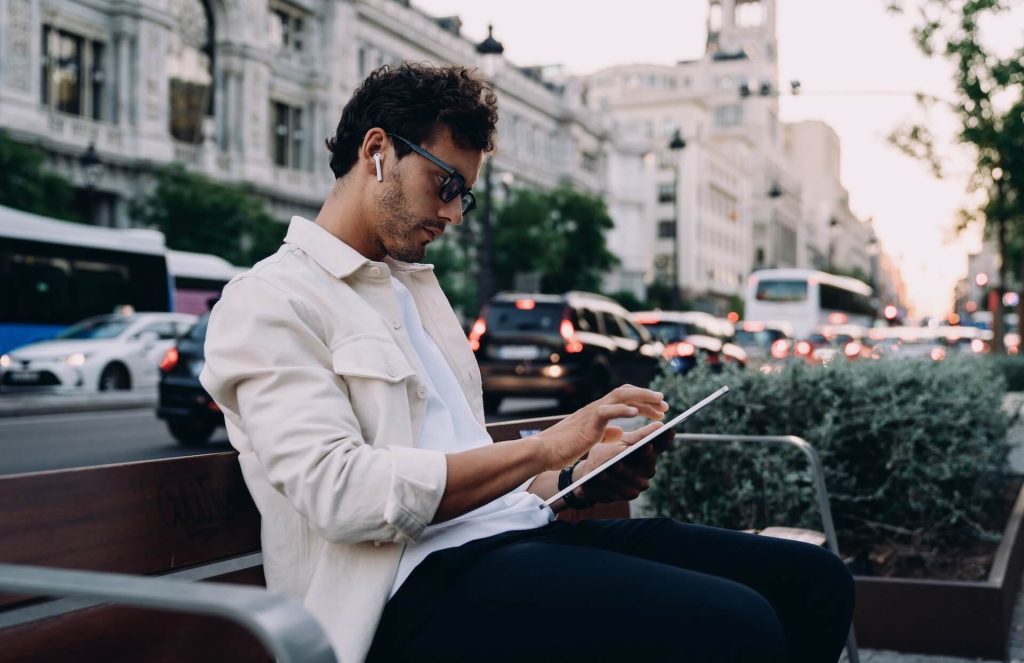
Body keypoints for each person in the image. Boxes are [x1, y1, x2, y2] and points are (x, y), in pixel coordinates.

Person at [200, 63, 854, 662]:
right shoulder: (270, 301)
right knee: (736, 625)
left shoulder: (413, 297)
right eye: (445, 183)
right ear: (377, 152)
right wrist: (544, 449)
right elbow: (344, 493)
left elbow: (467, 471)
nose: (453, 212)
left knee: (814, 583)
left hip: (513, 542)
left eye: (465, 195)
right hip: (401, 597)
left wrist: (575, 474)